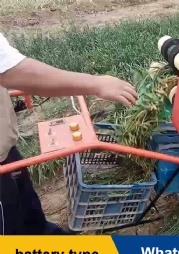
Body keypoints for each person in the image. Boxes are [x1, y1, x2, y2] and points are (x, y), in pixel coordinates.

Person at [0, 32, 138, 235]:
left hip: (4, 147)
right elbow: (13, 72)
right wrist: (96, 84)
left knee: (25, 204)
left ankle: (45, 241)